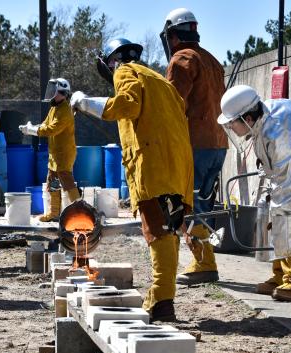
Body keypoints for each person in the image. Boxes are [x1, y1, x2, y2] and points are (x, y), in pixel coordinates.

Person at [70, 38, 194, 321]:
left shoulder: (125, 71)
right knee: (170, 227)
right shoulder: (160, 80)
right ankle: (164, 297)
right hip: (178, 166)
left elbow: (126, 104)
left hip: (154, 166)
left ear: (110, 63)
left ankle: (163, 303)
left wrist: (84, 102)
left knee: (157, 229)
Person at [218, 85, 291, 301]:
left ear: (247, 118)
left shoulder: (280, 129)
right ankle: (281, 274)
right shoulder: (263, 122)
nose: (231, 128)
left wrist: (280, 203)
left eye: (232, 122)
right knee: (272, 212)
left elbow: (289, 182)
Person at [160, 8, 227, 285]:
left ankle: (202, 261)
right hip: (218, 143)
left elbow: (172, 105)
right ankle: (205, 259)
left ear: (173, 36)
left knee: (186, 203)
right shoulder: (211, 60)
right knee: (205, 203)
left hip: (193, 143)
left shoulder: (182, 59)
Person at [19, 78, 79, 221]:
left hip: (64, 154)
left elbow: (51, 129)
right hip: (55, 154)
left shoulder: (65, 111)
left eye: (55, 92)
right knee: (52, 182)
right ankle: (54, 214)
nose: (52, 94)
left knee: (67, 182)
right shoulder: (54, 108)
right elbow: (45, 124)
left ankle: (80, 210)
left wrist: (32, 130)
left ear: (62, 93)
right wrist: (33, 127)